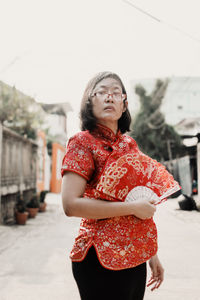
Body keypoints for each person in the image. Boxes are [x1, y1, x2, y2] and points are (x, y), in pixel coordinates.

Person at [61, 71, 180, 300]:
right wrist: (131, 208)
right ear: (90, 101)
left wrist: (151, 253)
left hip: (135, 256)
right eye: (102, 92)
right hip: (98, 255)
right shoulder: (82, 142)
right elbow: (70, 205)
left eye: (116, 93)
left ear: (124, 105)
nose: (109, 97)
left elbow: (140, 202)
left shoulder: (129, 145)